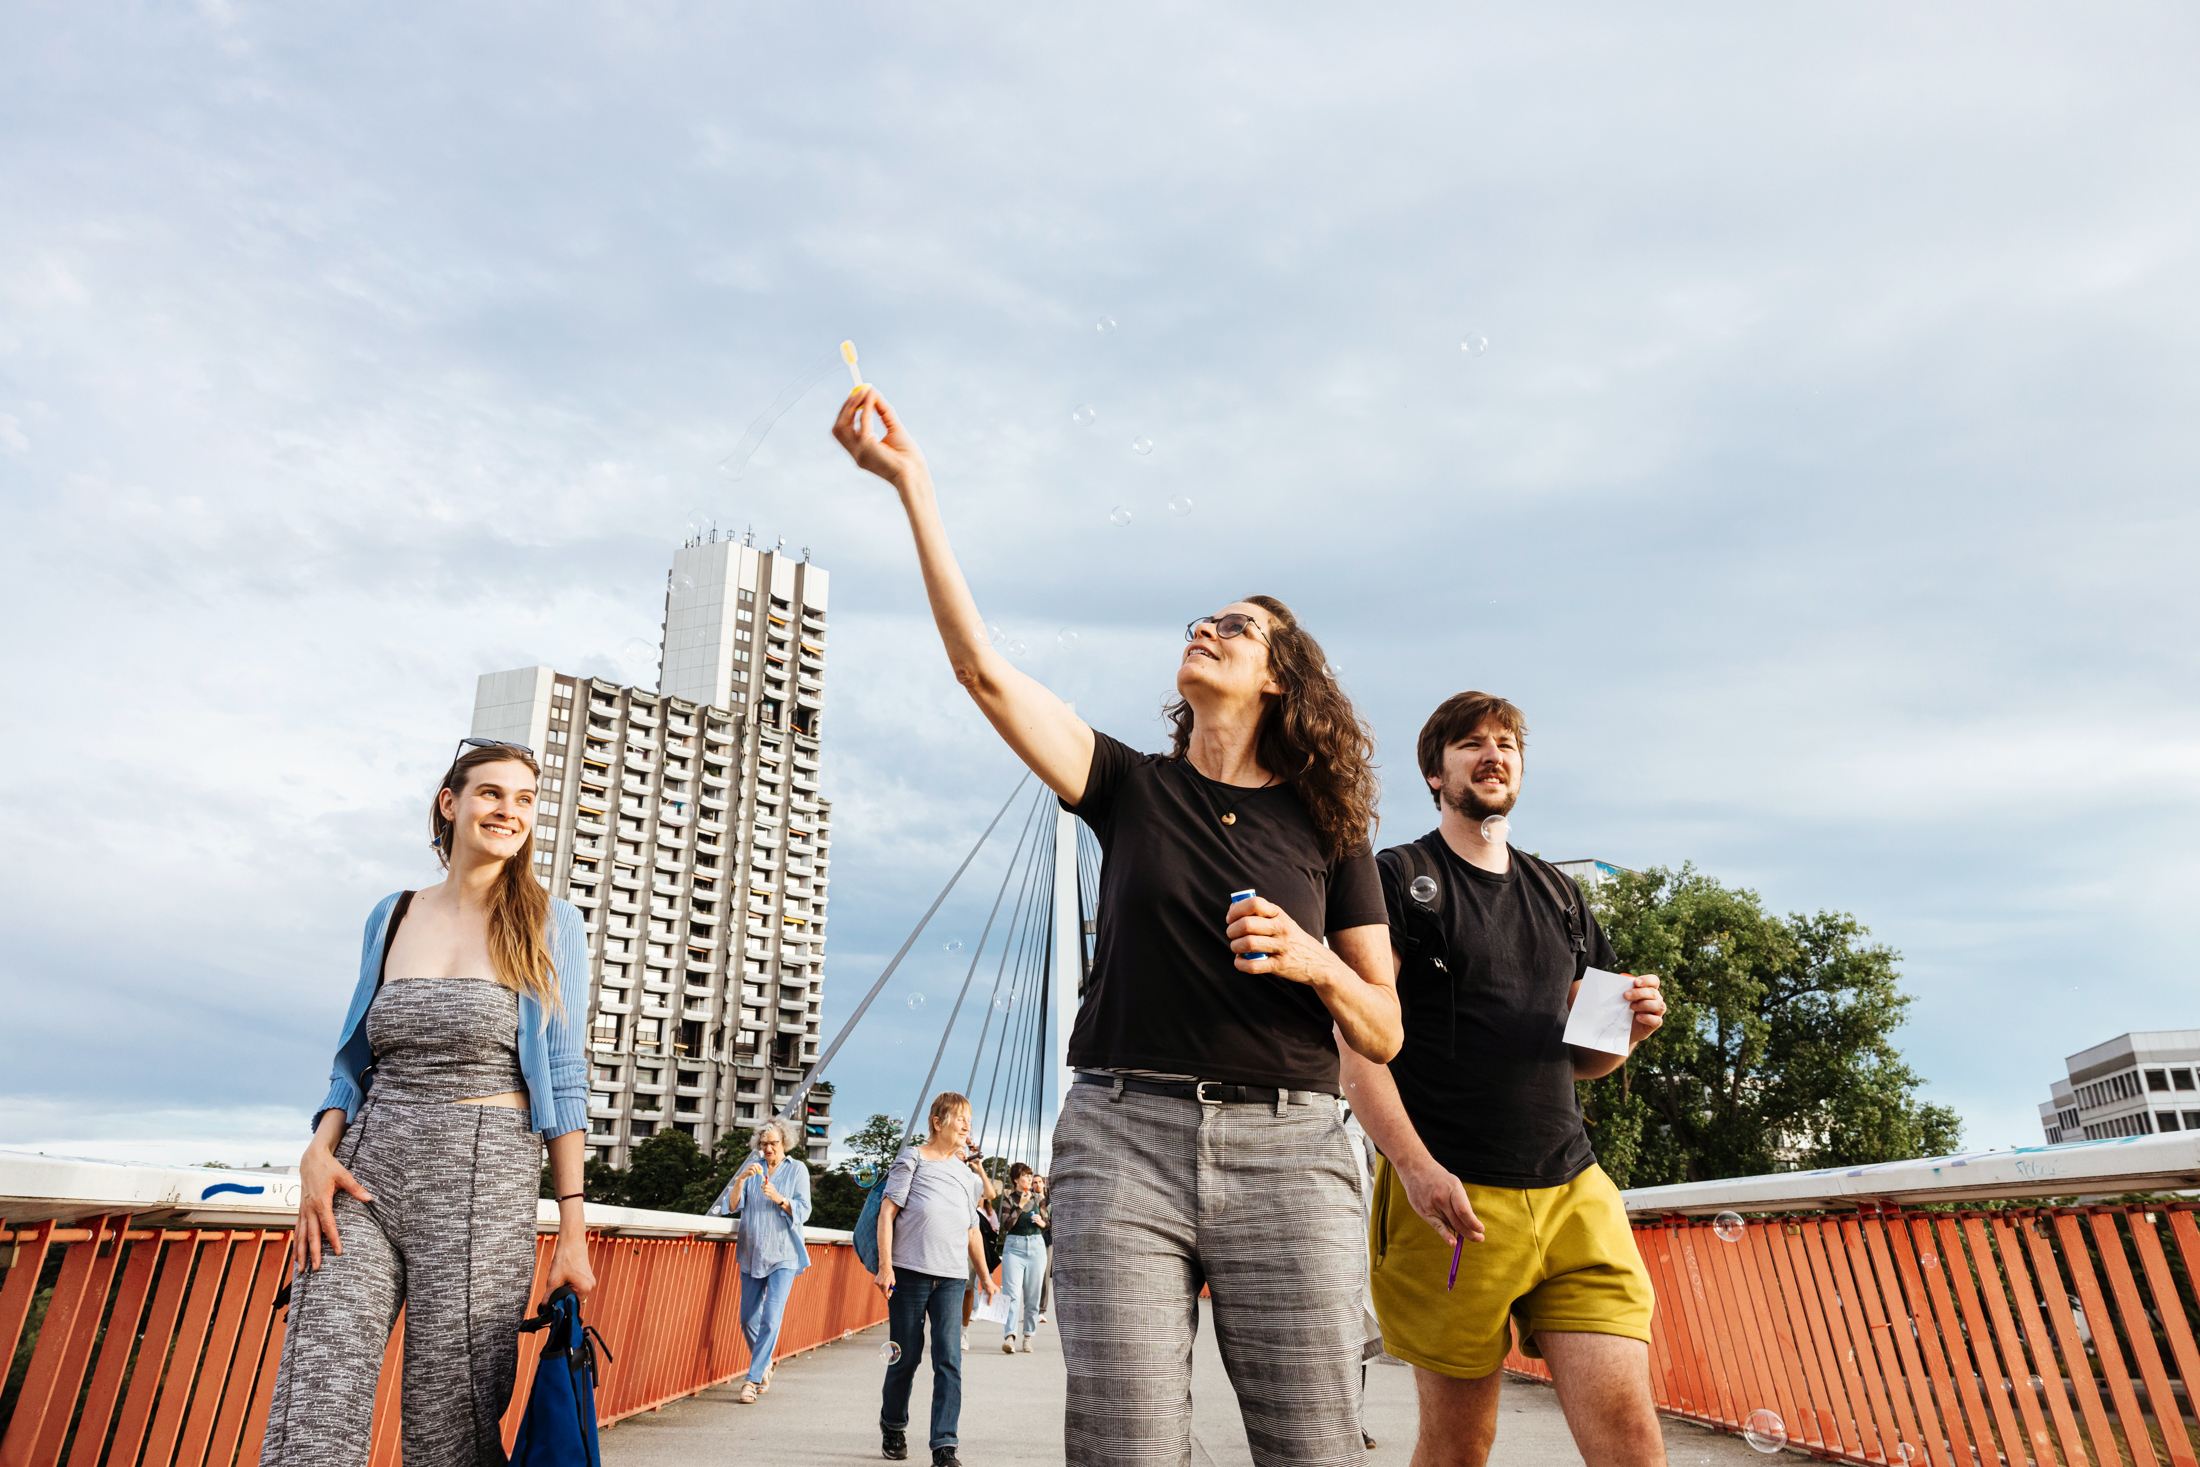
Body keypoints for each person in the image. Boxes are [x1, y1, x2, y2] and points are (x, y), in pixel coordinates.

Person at [834, 389, 1402, 1467]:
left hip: (1291, 1148)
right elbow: (981, 672)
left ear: (1281, 677)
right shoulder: (1128, 787)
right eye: (1198, 620)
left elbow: (1384, 1032)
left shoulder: (1331, 831)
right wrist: (912, 486)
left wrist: (1315, 959)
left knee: (1314, 1446)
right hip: (1123, 1137)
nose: (1205, 628)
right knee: (1125, 1448)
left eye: (1235, 626)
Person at [1338, 692, 1669, 1467]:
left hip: (1574, 1191)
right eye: (1471, 744)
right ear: (1433, 771)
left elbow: (1586, 1056)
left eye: (1508, 743)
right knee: (1460, 1449)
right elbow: (1360, 1050)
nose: (1494, 754)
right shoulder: (1397, 878)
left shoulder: (1560, 894)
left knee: (1632, 1442)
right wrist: (1415, 1171)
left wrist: (1630, 1032)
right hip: (1454, 1199)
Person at [263, 738, 594, 1467]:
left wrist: (572, 1228)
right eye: (491, 793)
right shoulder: (391, 914)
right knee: (311, 1405)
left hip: (481, 1183)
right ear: (451, 802)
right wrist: (319, 1148)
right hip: (361, 1175)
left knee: (448, 1430)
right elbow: (353, 1058)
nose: (508, 810)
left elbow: (564, 1078)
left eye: (524, 799)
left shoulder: (550, 923)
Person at [875, 1092, 999, 1467]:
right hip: (909, 1275)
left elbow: (972, 1232)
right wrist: (885, 1266)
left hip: (949, 1279)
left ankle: (944, 1446)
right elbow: (886, 1214)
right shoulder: (912, 1159)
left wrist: (985, 1278)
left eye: (970, 1120)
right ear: (937, 1122)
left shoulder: (966, 1175)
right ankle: (893, 1424)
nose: (967, 1127)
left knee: (949, 1361)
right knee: (906, 1358)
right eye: (960, 1119)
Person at [729, 1119, 813, 1404]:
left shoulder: (797, 1169)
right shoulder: (752, 1170)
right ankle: (765, 1364)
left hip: (784, 1255)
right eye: (763, 1144)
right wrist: (740, 1180)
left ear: (784, 1143)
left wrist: (779, 1198)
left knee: (771, 1319)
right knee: (747, 1318)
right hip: (752, 1253)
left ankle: (751, 1380)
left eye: (773, 1144)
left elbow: (804, 1209)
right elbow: (732, 1206)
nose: (767, 1149)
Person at [995, 1163, 1049, 1353]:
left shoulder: (1038, 1199)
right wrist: (1020, 1206)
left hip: (1036, 1246)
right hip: (1014, 1248)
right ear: (1017, 1180)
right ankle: (1009, 1337)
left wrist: (1043, 1222)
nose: (1029, 1179)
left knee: (1033, 1296)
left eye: (1030, 1176)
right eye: (1026, 1176)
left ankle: (1028, 1337)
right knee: (1012, 1295)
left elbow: (1047, 1223)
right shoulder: (1009, 1199)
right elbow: (1007, 1225)